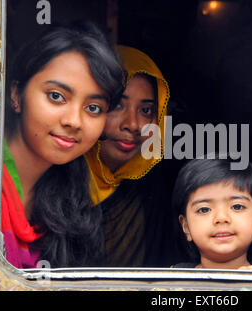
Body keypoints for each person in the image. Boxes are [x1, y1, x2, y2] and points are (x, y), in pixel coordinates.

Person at [2, 22, 125, 269]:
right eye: (56, 96)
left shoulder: (72, 202)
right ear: (16, 93)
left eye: (93, 108)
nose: (73, 121)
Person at [84, 45, 176, 267]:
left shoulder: (150, 187)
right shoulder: (55, 180)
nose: (133, 125)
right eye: (116, 105)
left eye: (145, 111)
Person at [171, 158, 252, 270]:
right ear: (186, 226)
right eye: (204, 209)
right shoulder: (169, 283)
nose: (222, 218)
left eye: (237, 206)